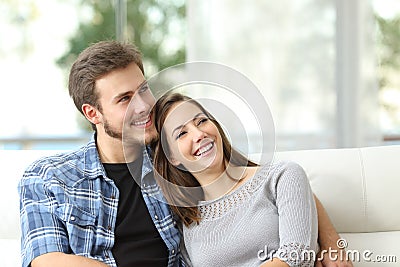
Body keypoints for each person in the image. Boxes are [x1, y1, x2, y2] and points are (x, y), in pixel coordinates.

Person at [18, 40, 352, 267]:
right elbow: (46, 259)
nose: (145, 105)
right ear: (93, 113)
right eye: (124, 99)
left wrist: (331, 240)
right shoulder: (50, 177)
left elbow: (264, 183)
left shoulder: (173, 158)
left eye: (144, 89)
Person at [152, 92, 318, 266]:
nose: (199, 134)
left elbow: (297, 255)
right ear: (172, 157)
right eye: (182, 133)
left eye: (201, 121)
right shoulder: (186, 221)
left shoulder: (282, 176)